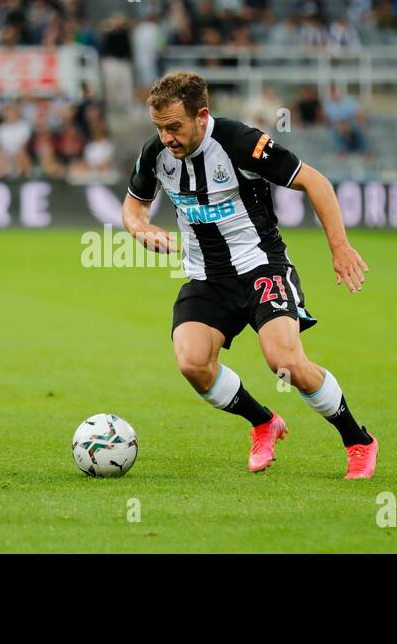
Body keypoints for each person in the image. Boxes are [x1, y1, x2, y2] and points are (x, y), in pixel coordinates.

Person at [122, 71, 378, 479]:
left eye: (174, 127)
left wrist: (340, 248)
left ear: (202, 115)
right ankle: (263, 422)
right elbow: (133, 208)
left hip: (261, 265)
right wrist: (143, 230)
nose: (167, 137)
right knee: (192, 363)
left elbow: (316, 182)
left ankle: (358, 440)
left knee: (285, 362)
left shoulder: (241, 143)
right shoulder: (155, 153)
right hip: (207, 276)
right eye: (160, 128)